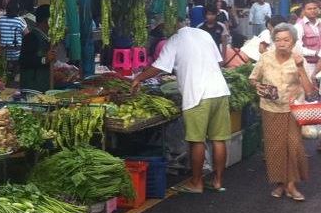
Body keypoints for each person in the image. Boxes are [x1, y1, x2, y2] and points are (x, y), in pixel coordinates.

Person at [132, 23, 231, 193]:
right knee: (218, 139)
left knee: (196, 140)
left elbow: (158, 67)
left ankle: (196, 183)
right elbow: (219, 60)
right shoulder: (203, 34)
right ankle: (217, 182)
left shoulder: (175, 40)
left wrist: (138, 78)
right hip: (220, 91)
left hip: (197, 94)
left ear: (172, 26)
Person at [249, 24, 316, 201]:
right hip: (270, 108)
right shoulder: (265, 58)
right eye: (278, 40)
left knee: (294, 146)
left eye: (286, 40)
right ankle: (280, 183)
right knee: (275, 147)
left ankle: (292, 185)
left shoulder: (299, 60)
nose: (281, 43)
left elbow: (310, 91)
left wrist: (300, 67)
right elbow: (253, 79)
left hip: (293, 109)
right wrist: (259, 86)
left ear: (293, 42)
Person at [20, 5, 55, 92]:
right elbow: (24, 60)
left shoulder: (46, 38)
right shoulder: (31, 38)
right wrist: (44, 59)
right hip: (33, 88)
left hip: (44, 86)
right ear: (47, 20)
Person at [0, 1, 28, 85]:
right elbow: (27, 35)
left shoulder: (0, 20)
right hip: (17, 53)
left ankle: (6, 81)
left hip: (3, 53)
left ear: (6, 10)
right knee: (16, 68)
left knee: (4, 70)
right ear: (18, 11)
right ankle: (14, 79)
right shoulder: (20, 20)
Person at [295, 0, 321, 79]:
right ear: (304, 10)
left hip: (319, 63)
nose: (312, 11)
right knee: (310, 89)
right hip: (308, 64)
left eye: (315, 8)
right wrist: (315, 53)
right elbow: (297, 48)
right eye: (309, 9)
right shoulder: (299, 26)